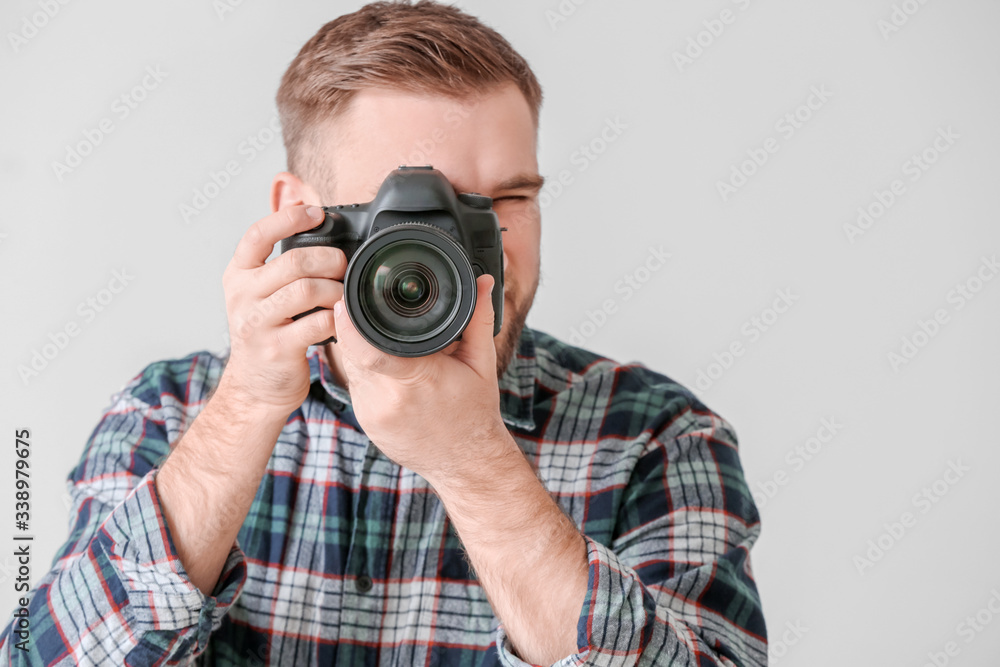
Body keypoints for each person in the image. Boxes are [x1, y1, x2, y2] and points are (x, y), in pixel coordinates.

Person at [0, 2, 767, 665]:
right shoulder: (168, 412)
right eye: (418, 217)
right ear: (301, 214)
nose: (477, 251)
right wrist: (244, 411)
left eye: (509, 199)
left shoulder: (654, 435)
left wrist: (474, 461)